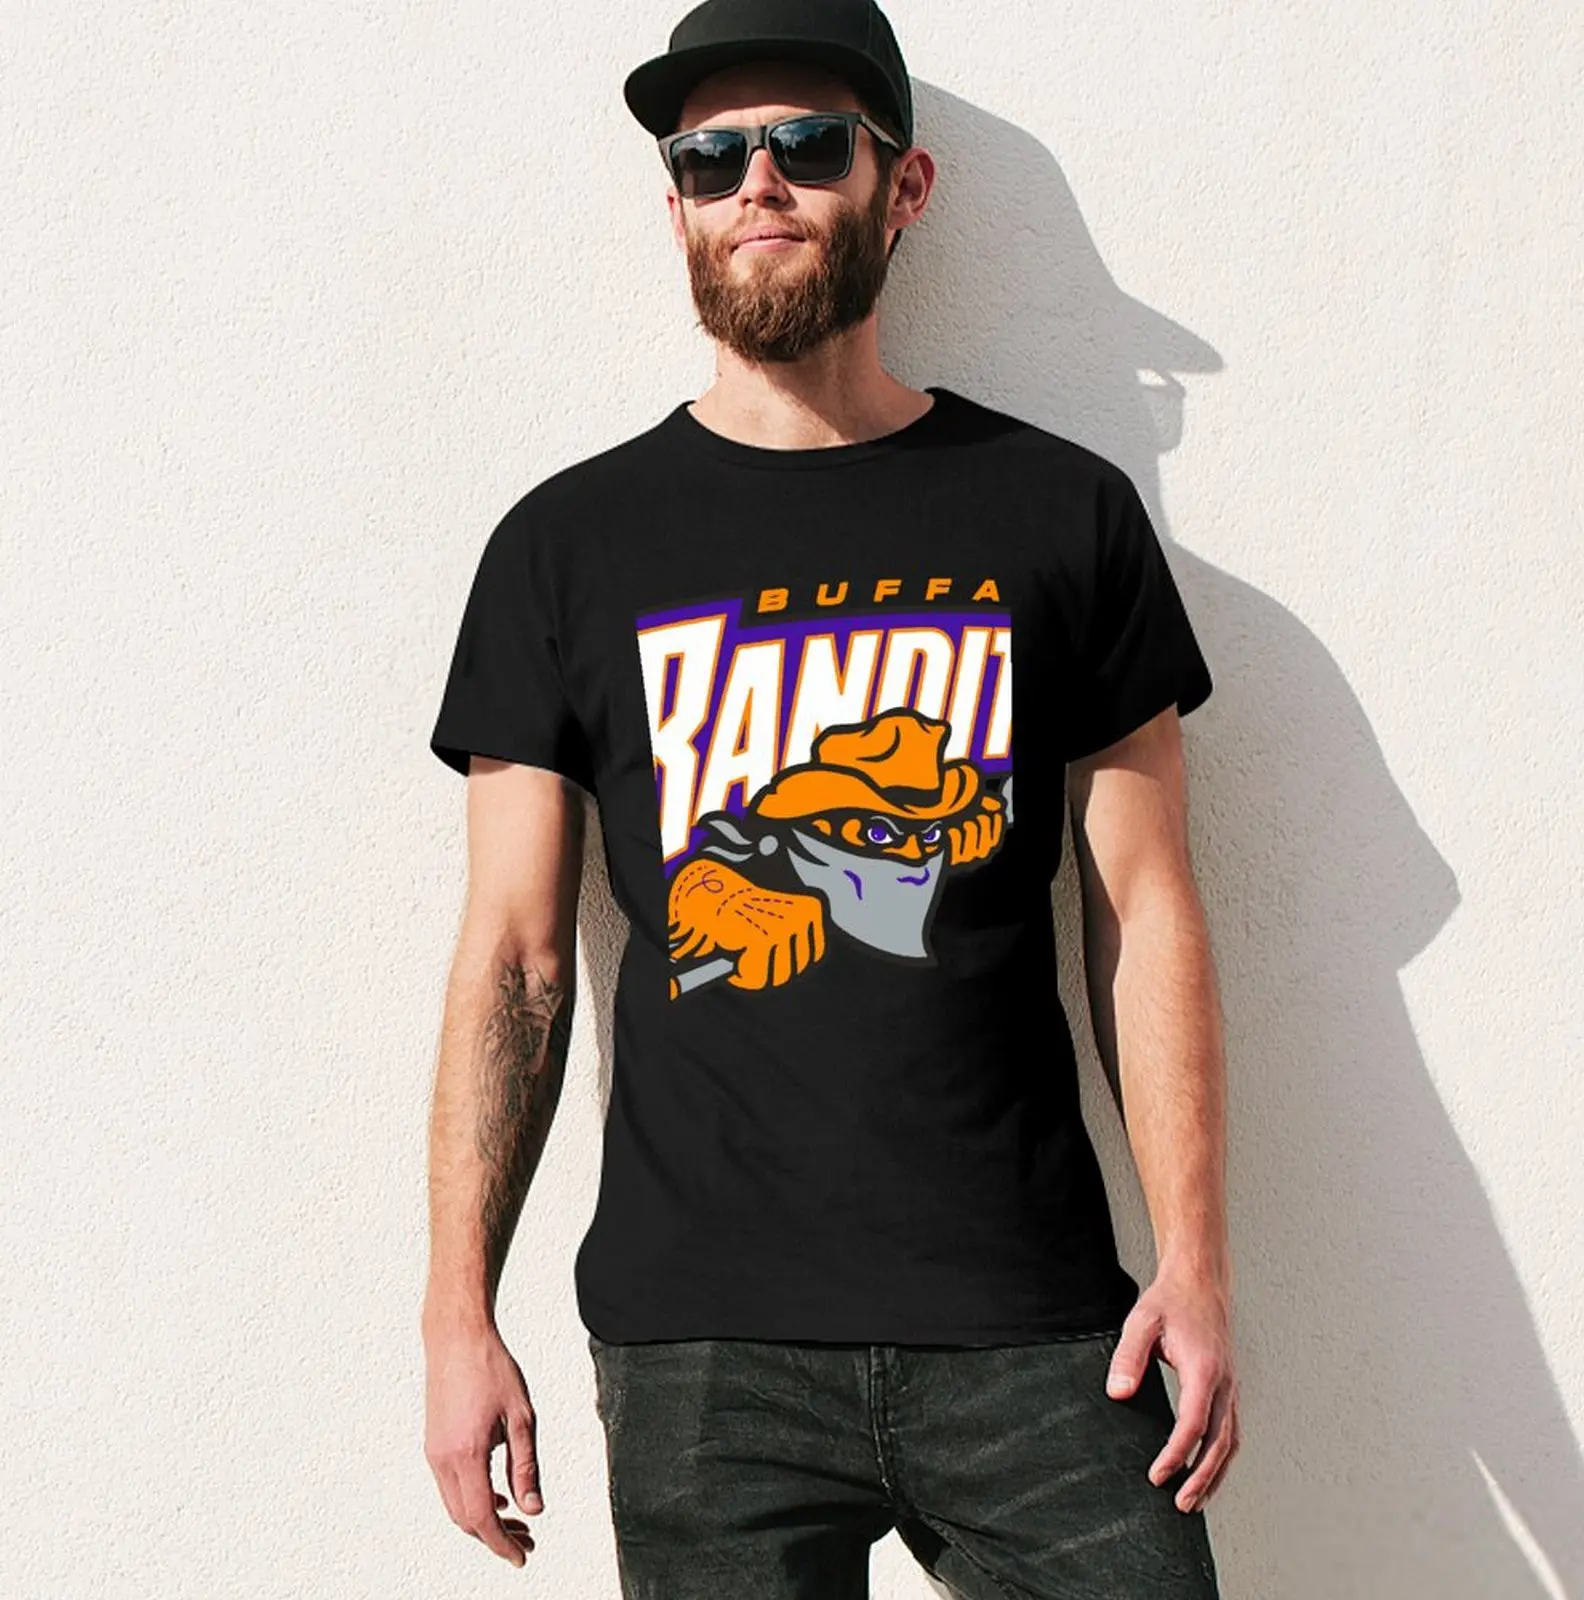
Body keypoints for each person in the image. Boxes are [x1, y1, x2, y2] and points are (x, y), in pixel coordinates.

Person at [420, 0, 1239, 1593]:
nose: (759, 183)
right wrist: (460, 1313)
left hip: (1033, 1318)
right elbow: (514, 960)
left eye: (808, 145)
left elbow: (1145, 912)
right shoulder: (565, 548)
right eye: (710, 156)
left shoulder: (1060, 515)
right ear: (676, 206)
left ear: (901, 185)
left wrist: (1197, 1262)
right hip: (704, 1353)